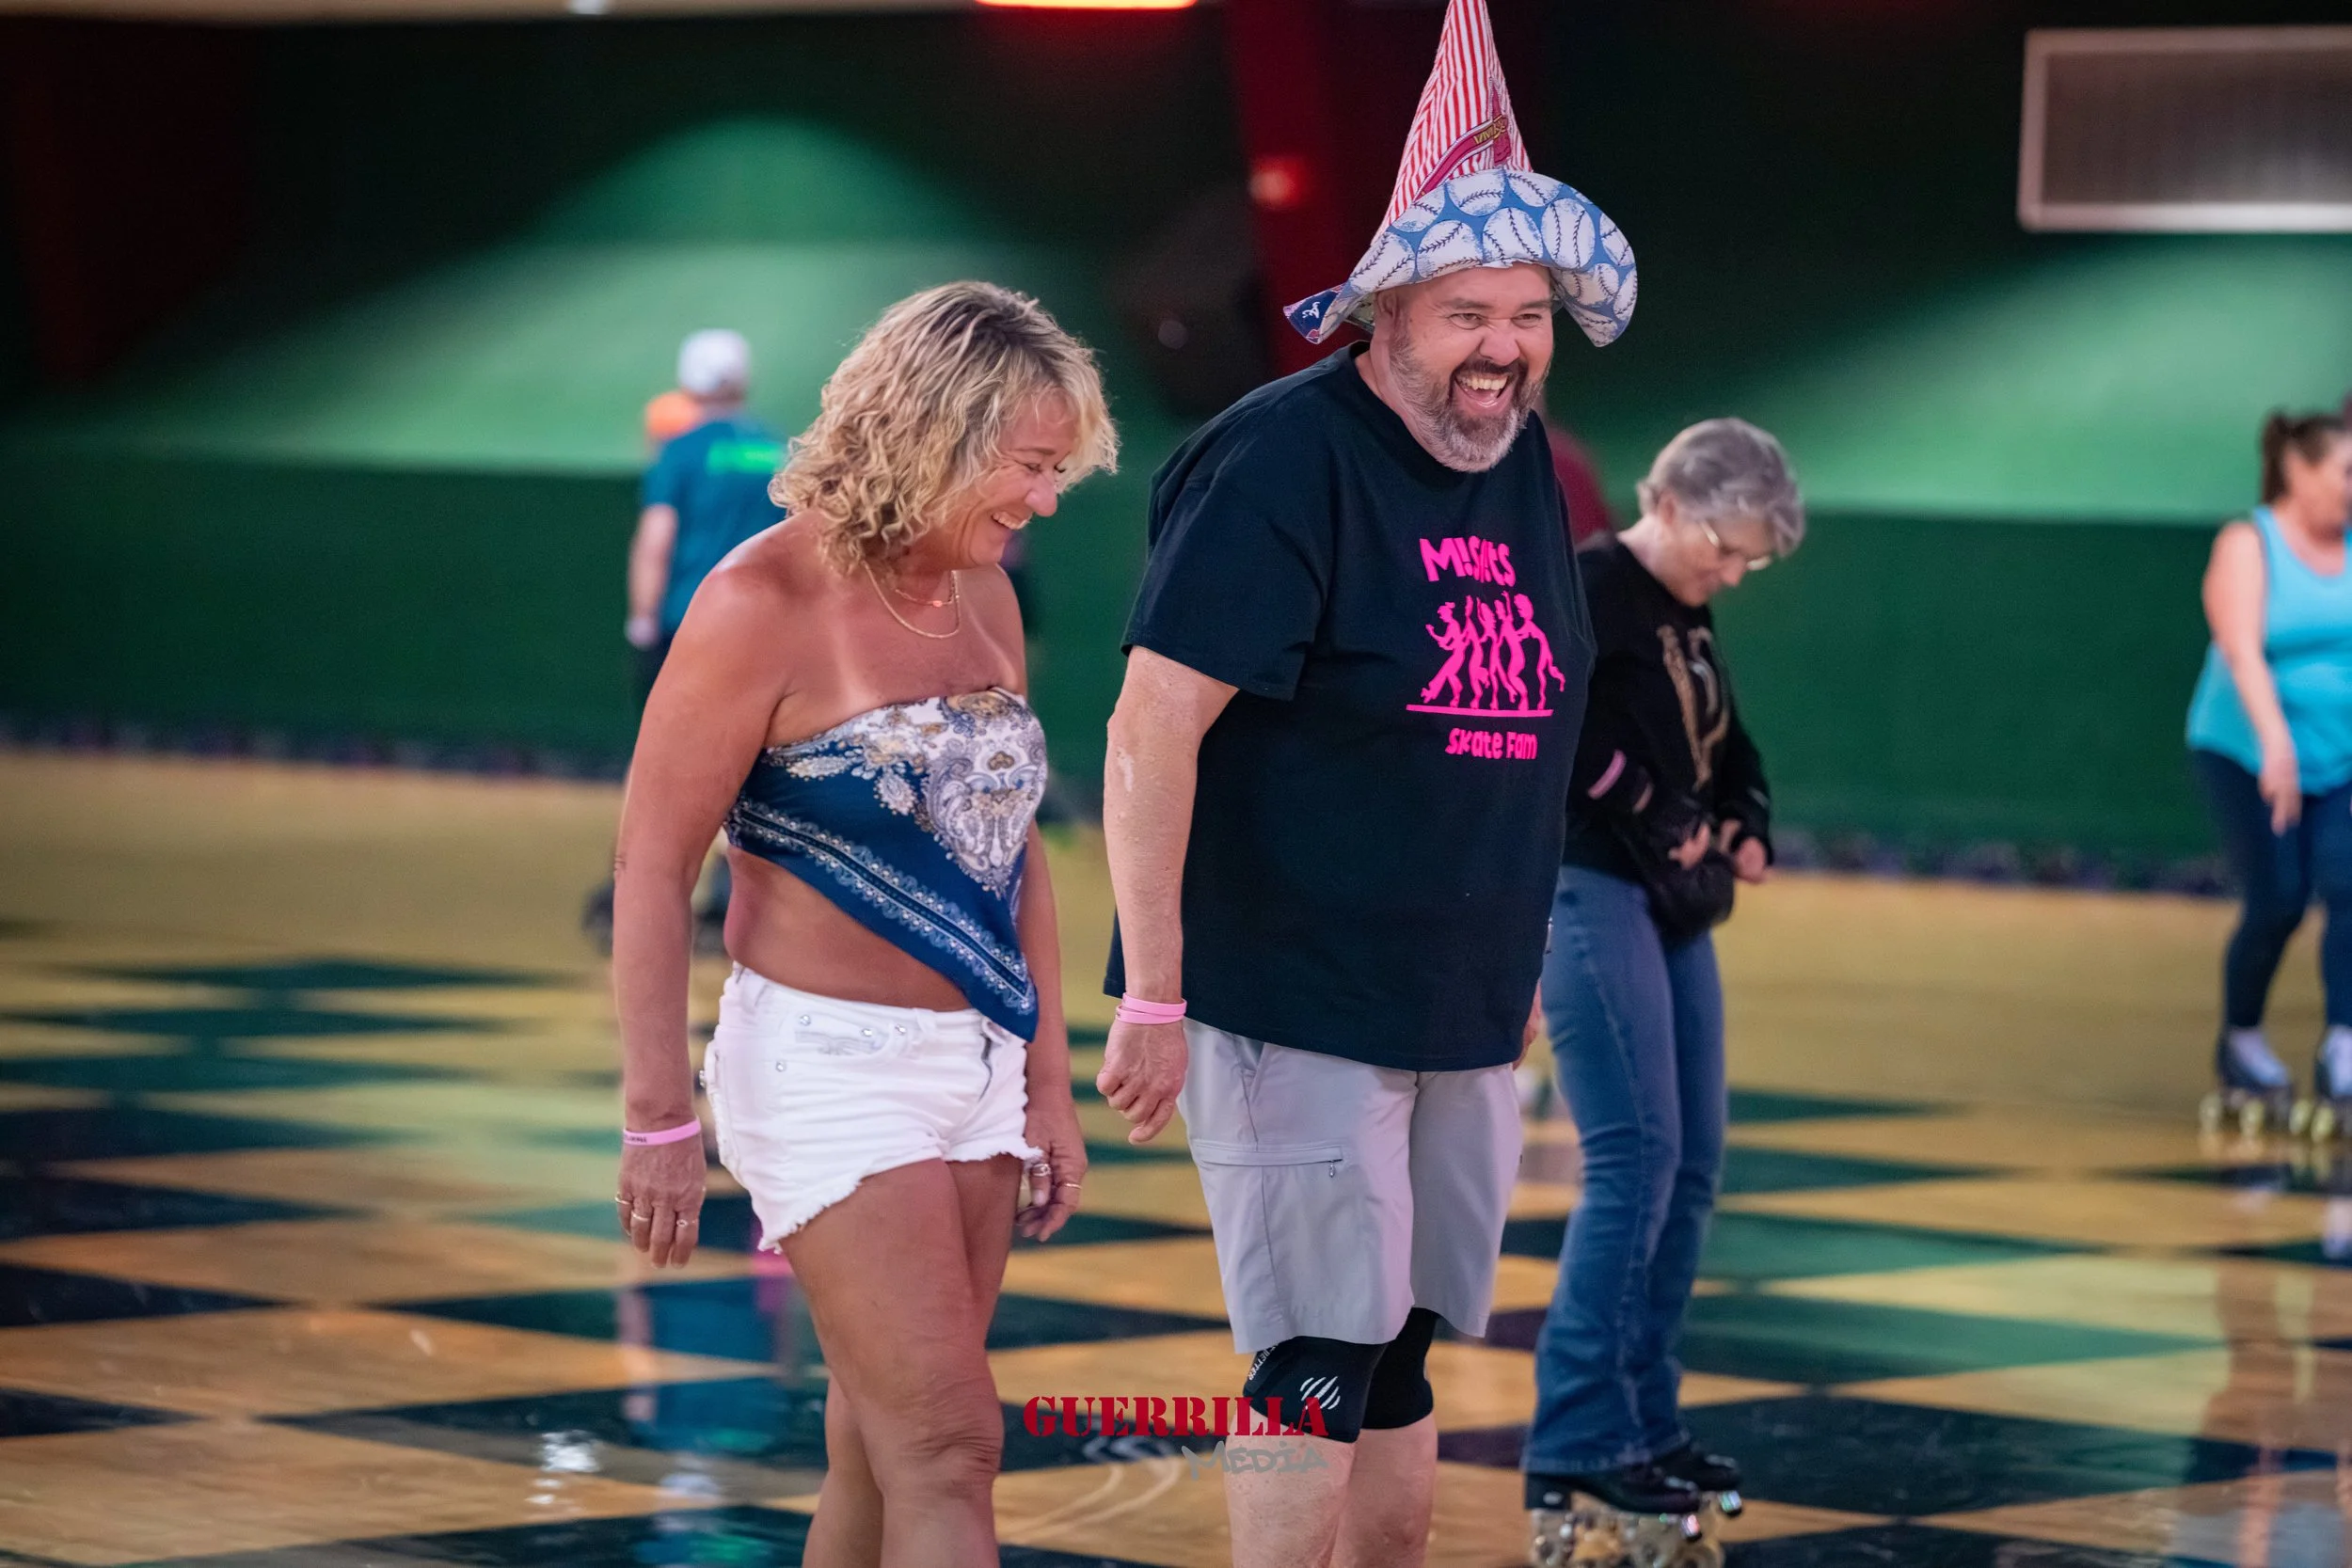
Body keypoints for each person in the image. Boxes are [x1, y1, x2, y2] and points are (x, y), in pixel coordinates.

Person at [1094, 2, 1635, 1561]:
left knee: (1401, 1355)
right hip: (1295, 994)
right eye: (1467, 312)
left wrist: (1520, 955)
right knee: (1314, 1359)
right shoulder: (1281, 460)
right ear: (1381, 313)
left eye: (1527, 315)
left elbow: (1525, 729)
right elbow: (1150, 727)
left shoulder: (1521, 456)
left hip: (1458, 1000)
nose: (1503, 348)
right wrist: (1155, 986)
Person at [611, 282, 1117, 1567]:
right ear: (936, 431)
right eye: (1029, 468)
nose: (1044, 501)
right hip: (827, 1069)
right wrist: (660, 1113)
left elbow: (1018, 862)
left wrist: (1047, 1078)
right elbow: (652, 865)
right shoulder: (757, 601)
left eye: (1062, 472)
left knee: (880, 1452)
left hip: (981, 1065)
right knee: (951, 1442)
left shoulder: (984, 594)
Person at [1519, 419, 1804, 1544]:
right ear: (1674, 503)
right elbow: (1550, 727)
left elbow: (1724, 739)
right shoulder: (1588, 584)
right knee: (1632, 1159)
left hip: (1670, 899)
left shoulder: (1684, 607)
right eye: (1725, 550)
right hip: (1589, 888)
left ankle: (1643, 1419)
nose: (1730, 576)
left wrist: (1742, 814)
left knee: (1689, 1166)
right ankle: (1578, 1435)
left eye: (1748, 564)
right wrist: (1660, 808)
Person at [587, 330, 787, 949]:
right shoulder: (777, 452)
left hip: (687, 631)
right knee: (750, 764)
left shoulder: (679, 453)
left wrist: (642, 622)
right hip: (765, 634)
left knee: (664, 762)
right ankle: (733, 896)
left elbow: (656, 537)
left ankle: (637, 889)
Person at [2185, 409, 2352, 1134]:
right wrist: (2276, 744)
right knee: (2279, 898)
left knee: (2351, 888)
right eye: (2346, 472)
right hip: (2247, 749)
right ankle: (2243, 1041)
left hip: (2340, 754)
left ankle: (2344, 1044)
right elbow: (2242, 647)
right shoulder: (2248, 543)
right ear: (2299, 471)